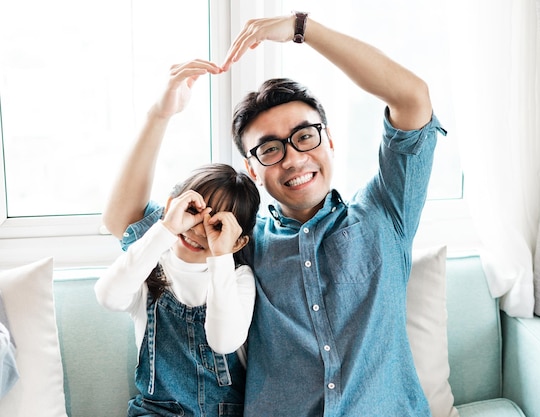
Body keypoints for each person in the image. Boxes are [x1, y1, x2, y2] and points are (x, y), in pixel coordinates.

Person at [103, 12, 446, 417]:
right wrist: (159, 116)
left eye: (305, 136)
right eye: (270, 149)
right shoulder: (240, 243)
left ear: (329, 139)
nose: (294, 159)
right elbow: (124, 218)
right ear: (252, 168)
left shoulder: (385, 212)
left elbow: (413, 99)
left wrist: (303, 29)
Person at [95, 163, 260, 416]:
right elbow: (108, 296)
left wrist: (221, 256)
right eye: (193, 212)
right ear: (174, 205)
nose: (197, 230)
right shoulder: (148, 265)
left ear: (238, 242)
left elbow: (223, 341)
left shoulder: (238, 278)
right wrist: (168, 228)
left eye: (215, 226)